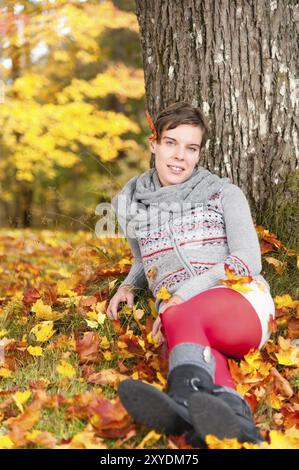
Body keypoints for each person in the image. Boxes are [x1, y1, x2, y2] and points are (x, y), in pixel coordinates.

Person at [107, 102, 275, 447]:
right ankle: (236, 421)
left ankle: (181, 398)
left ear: (199, 154)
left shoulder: (223, 193)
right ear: (154, 143)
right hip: (182, 320)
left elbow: (247, 259)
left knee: (177, 317)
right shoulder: (132, 204)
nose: (179, 156)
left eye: (191, 147)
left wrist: (184, 294)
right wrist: (129, 285)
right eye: (171, 143)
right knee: (187, 336)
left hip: (240, 305)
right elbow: (145, 257)